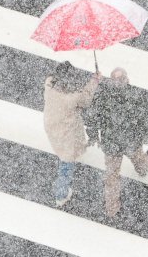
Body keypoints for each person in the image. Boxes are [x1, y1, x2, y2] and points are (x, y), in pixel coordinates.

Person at [89, 68, 148, 218]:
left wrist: (94, 135)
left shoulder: (104, 94)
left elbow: (95, 116)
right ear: (127, 80)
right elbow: (144, 121)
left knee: (111, 177)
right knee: (139, 163)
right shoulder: (134, 97)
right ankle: (144, 167)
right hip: (130, 142)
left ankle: (112, 209)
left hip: (112, 144)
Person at [43, 62, 100, 208]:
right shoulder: (72, 98)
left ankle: (61, 192)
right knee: (66, 163)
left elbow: (51, 78)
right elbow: (86, 99)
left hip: (51, 126)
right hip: (66, 132)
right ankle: (60, 196)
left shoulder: (49, 86)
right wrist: (94, 80)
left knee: (63, 153)